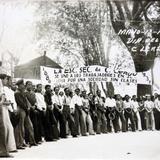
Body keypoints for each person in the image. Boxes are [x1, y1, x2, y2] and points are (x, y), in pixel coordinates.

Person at [14, 79, 36, 149]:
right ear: (19, 85)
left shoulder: (22, 92)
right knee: (21, 128)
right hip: (21, 110)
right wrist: (27, 108)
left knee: (30, 126)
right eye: (22, 85)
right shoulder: (17, 93)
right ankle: (20, 143)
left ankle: (32, 141)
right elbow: (20, 103)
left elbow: (26, 101)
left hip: (25, 110)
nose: (24, 86)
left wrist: (28, 107)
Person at [0, 75, 14, 157]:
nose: (6, 81)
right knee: (2, 129)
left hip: (1, 108)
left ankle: (3, 151)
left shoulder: (1, 86)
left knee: (3, 129)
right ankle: (3, 151)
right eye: (5, 79)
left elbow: (2, 96)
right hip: (2, 108)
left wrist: (2, 101)